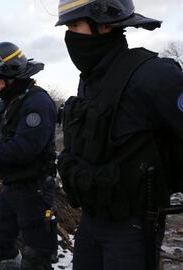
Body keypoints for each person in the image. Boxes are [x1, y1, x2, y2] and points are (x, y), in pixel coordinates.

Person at [55, 1, 183, 270]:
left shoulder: (153, 74)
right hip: (91, 221)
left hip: (132, 227)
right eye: (67, 27)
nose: (70, 36)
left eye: (75, 25)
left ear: (104, 25)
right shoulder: (90, 79)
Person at [0, 42, 58, 270]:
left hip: (34, 189)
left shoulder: (37, 102)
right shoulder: (6, 103)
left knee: (36, 256)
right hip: (12, 188)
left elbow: (23, 148)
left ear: (12, 74)